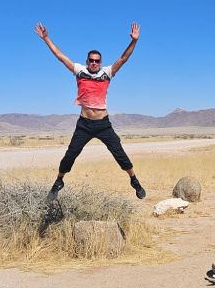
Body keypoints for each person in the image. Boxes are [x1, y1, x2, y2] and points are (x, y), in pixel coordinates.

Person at [35, 21, 146, 200]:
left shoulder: (107, 72)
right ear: (87, 61)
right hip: (84, 125)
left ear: (100, 62)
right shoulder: (79, 71)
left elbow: (123, 58)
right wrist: (46, 38)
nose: (94, 63)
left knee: (119, 153)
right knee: (70, 155)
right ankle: (58, 181)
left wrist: (134, 41)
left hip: (103, 124)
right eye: (91, 60)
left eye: (97, 61)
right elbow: (61, 56)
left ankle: (134, 180)